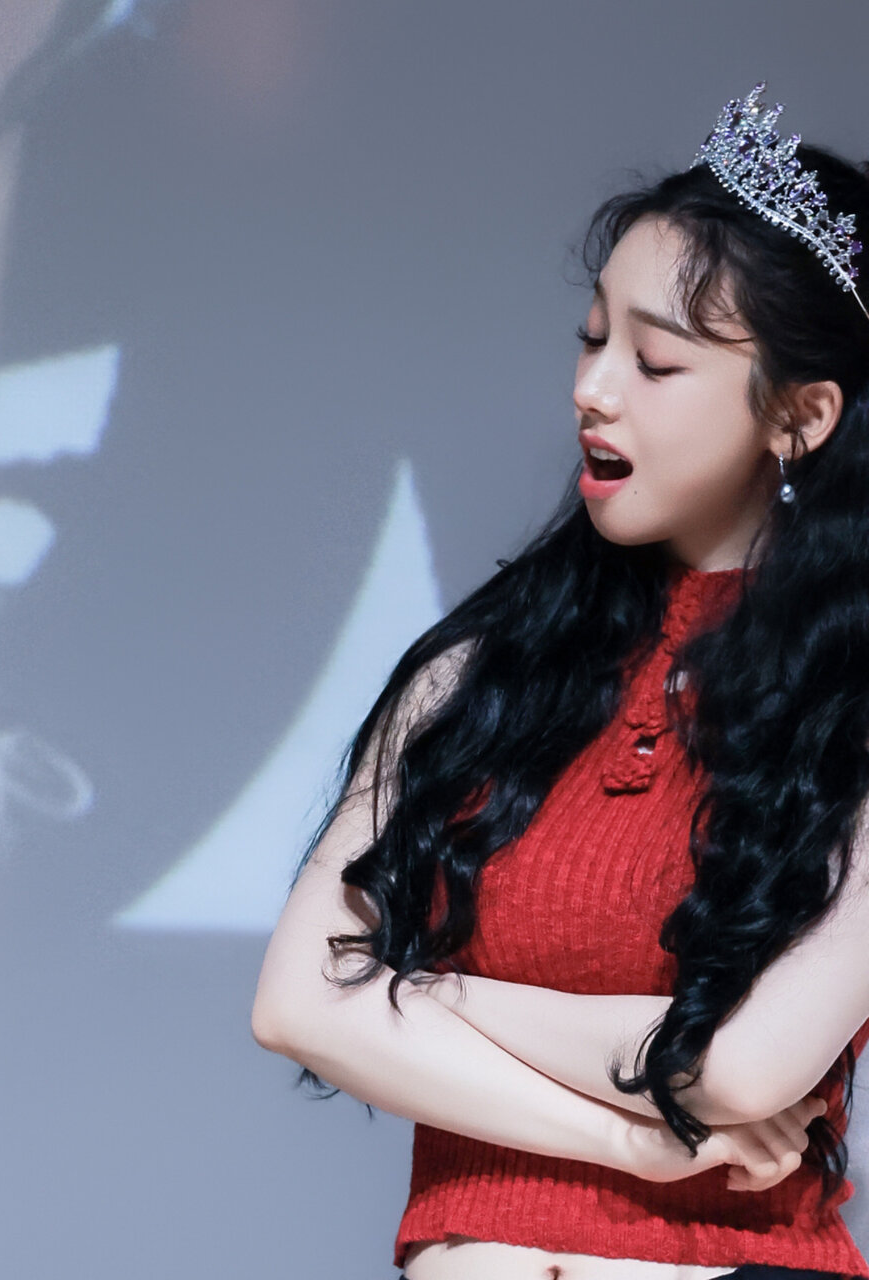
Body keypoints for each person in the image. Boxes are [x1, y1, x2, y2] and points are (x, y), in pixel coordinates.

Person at [252, 83, 869, 1279]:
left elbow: (743, 1070)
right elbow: (291, 1002)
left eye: (656, 360)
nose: (594, 388)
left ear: (801, 415)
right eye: (592, 340)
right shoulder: (482, 668)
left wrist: (428, 991)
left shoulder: (851, 707)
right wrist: (628, 1138)